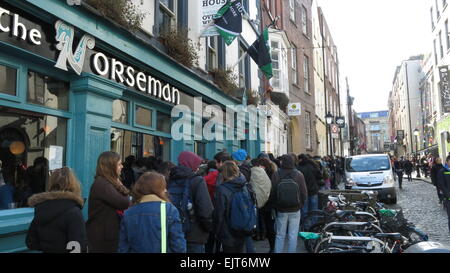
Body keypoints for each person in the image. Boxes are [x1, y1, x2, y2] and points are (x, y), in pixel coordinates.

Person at [118, 172, 186, 253]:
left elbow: (123, 247)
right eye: (164, 187)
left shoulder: (129, 213)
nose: (166, 190)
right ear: (159, 189)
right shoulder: (169, 210)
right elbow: (178, 246)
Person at [26, 167, 87, 253]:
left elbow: (31, 242)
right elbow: (79, 247)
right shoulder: (73, 211)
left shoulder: (41, 208)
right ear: (73, 184)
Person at [168, 151, 213, 253]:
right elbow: (206, 210)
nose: (198, 168)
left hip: (174, 232)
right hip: (194, 234)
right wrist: (208, 229)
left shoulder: (170, 179)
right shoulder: (197, 181)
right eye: (197, 165)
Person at [86, 151, 131, 253]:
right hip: (102, 239)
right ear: (110, 166)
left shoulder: (107, 183)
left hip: (106, 236)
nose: (122, 166)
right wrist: (120, 184)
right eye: (119, 164)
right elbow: (124, 202)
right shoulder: (102, 184)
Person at [271, 154, 308, 253]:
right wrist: (300, 205)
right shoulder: (299, 174)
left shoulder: (276, 174)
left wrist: (275, 206)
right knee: (293, 234)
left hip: (281, 209)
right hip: (295, 209)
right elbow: (304, 193)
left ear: (282, 162)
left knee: (280, 235)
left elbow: (273, 192)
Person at [213, 161, 251, 253]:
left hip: (227, 230)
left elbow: (219, 213)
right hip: (242, 227)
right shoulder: (244, 185)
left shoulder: (222, 189)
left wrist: (215, 231)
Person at [297, 154, 323, 224]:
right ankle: (314, 225)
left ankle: (305, 226)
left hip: (303, 192)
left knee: (304, 210)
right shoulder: (313, 166)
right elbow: (320, 176)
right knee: (314, 210)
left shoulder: (299, 168)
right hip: (313, 190)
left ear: (300, 159)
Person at [436, 155, 450, 232]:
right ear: (447, 162)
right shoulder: (442, 172)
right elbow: (441, 185)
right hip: (448, 199)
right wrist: (448, 194)